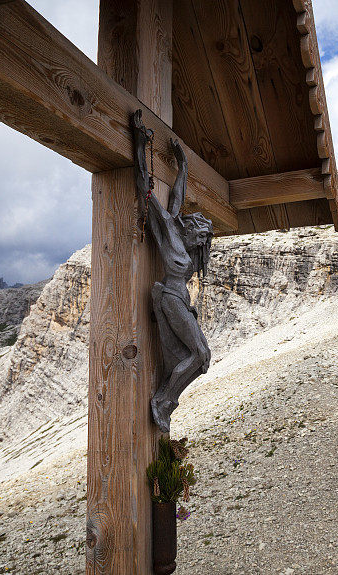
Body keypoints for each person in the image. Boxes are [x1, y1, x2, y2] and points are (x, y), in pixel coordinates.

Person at [132, 111, 214, 433]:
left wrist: (184, 167)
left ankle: (166, 398)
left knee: (201, 358)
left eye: (204, 238)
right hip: (170, 298)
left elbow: (177, 195)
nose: (202, 240)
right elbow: (144, 187)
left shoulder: (183, 236)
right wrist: (141, 144)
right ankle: (164, 401)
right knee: (200, 352)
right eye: (201, 235)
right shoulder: (168, 228)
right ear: (191, 230)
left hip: (181, 300)